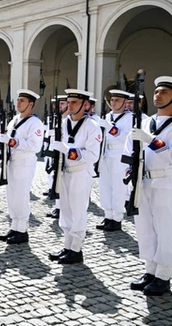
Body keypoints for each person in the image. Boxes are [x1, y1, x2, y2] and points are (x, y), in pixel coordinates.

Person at [126, 76, 172, 296]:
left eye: (164, 92)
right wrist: (129, 171)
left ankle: (164, 275)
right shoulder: (146, 121)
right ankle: (150, 270)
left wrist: (151, 140)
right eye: (156, 92)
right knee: (145, 229)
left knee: (166, 231)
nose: (158, 95)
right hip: (143, 182)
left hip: (167, 183)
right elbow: (130, 149)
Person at [47, 89, 101, 264]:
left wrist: (68, 151)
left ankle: (76, 249)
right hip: (64, 172)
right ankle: (67, 245)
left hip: (80, 172)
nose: (69, 106)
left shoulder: (92, 126)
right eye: (68, 102)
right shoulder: (64, 123)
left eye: (74, 103)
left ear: (85, 105)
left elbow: (93, 155)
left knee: (78, 211)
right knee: (66, 210)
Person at [0, 89, 43, 244]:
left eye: (22, 100)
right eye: (18, 100)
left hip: (24, 162)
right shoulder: (14, 120)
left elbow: (34, 146)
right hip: (12, 162)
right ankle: (14, 226)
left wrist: (12, 142)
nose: (18, 103)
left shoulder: (35, 123)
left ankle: (22, 230)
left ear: (31, 104)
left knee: (21, 196)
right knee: (11, 196)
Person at [97, 89, 133, 232]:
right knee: (105, 186)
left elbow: (126, 138)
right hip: (106, 154)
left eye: (117, 100)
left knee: (118, 187)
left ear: (125, 102)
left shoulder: (131, 118)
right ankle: (108, 215)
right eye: (112, 100)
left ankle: (117, 218)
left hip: (120, 154)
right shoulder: (107, 116)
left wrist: (111, 128)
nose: (113, 102)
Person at [45, 95, 70, 220]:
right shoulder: (55, 119)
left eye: (62, 104)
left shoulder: (70, 120)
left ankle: (62, 208)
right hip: (53, 151)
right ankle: (58, 206)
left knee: (62, 181)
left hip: (64, 154)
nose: (59, 106)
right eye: (58, 104)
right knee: (54, 179)